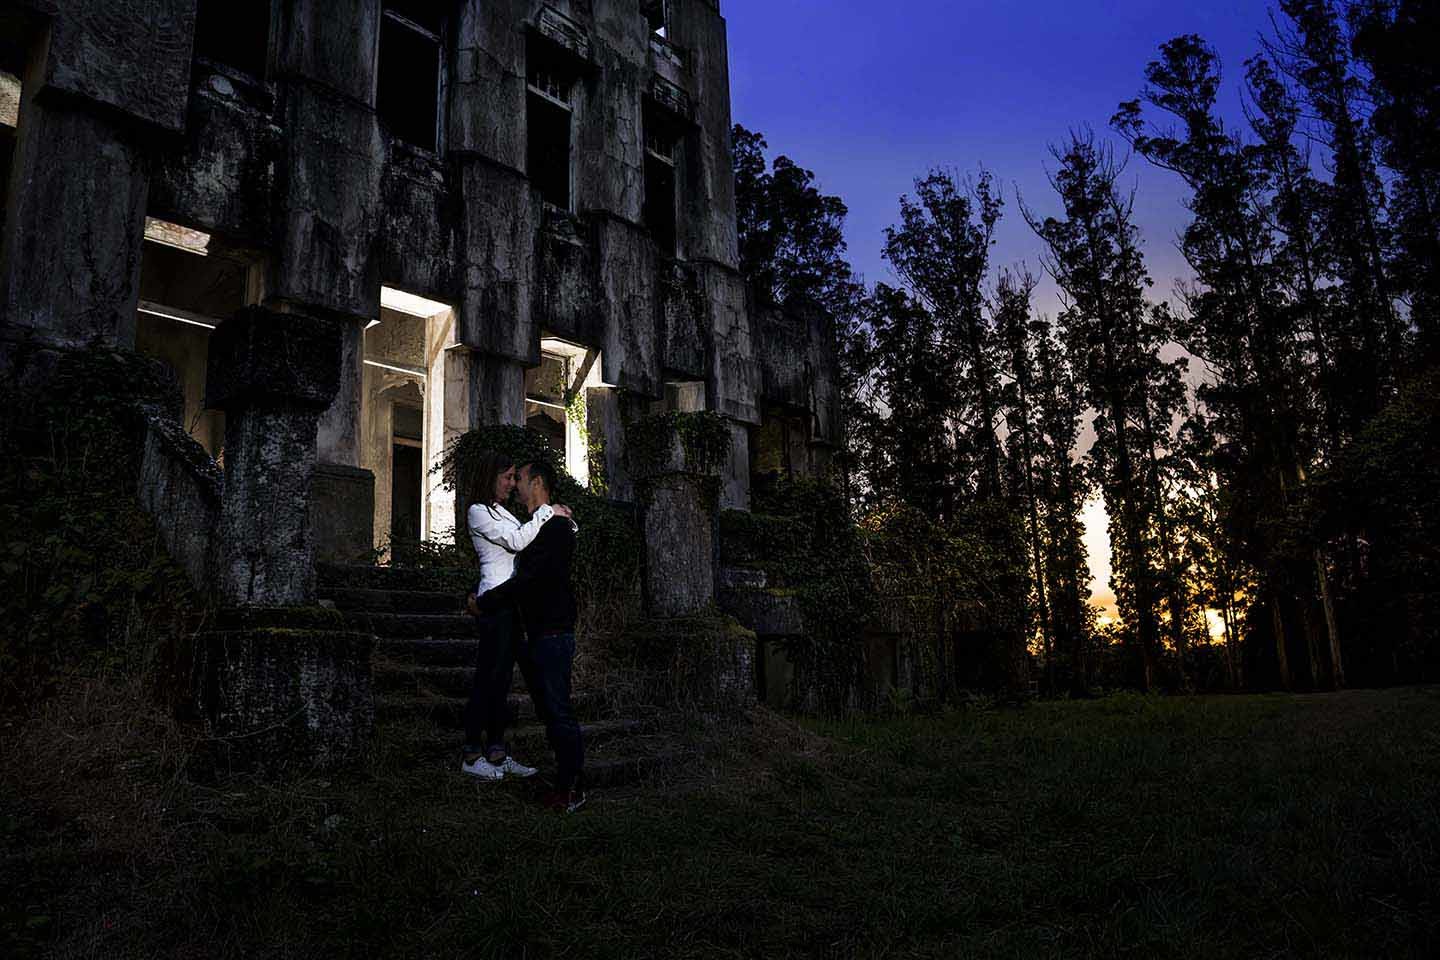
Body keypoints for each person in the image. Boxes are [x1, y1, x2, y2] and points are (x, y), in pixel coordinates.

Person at [472, 459, 586, 813]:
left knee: (558, 710)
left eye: (518, 479)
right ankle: (565, 785)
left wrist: (484, 602)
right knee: (550, 711)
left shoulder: (555, 528)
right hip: (540, 633)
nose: (514, 486)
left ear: (536, 483)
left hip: (553, 633)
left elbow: (527, 580)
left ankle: (572, 789)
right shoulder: (542, 526)